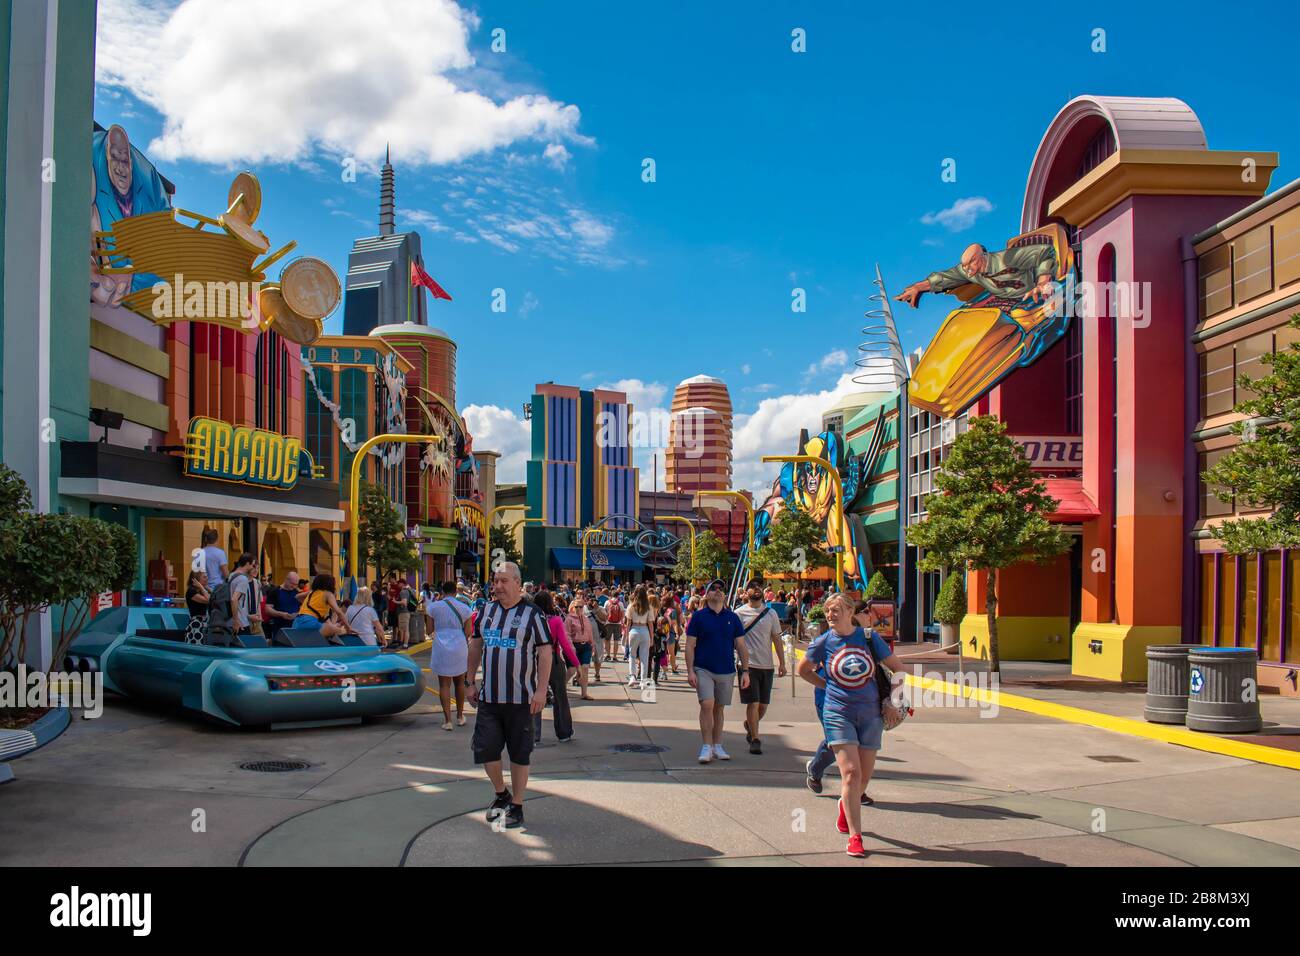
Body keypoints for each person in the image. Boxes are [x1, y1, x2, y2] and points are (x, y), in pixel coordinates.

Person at [797, 593, 905, 858]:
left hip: (870, 714)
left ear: (849, 611)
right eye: (827, 612)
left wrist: (892, 701)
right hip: (838, 712)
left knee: (864, 779)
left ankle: (846, 808)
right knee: (851, 774)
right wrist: (827, 686)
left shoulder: (868, 638)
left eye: (835, 610)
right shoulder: (823, 642)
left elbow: (898, 670)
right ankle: (856, 837)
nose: (830, 616)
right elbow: (803, 670)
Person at [465, 562, 552, 830]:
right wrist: (470, 681)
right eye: (495, 581)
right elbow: (476, 645)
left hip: (521, 699)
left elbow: (545, 652)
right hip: (489, 698)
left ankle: (517, 804)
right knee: (486, 750)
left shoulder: (533, 614)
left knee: (519, 754)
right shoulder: (485, 611)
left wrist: (540, 690)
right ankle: (501, 793)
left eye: (503, 581)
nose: (498, 586)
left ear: (517, 583)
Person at [685, 579, 750, 764]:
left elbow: (741, 646)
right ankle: (706, 746)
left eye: (721, 589)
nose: (718, 591)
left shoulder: (732, 617)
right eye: (713, 589)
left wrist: (745, 671)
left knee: (719, 708)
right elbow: (690, 645)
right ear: (707, 594)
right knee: (707, 704)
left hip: (726, 669)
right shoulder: (698, 617)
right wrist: (690, 670)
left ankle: (717, 744)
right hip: (703, 668)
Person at [735, 582, 787, 755]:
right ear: (746, 592)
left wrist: (782, 662)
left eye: (759, 587)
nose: (756, 589)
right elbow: (733, 639)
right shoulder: (739, 613)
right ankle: (755, 739)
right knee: (753, 702)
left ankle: (749, 724)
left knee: (763, 706)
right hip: (747, 666)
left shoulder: (771, 613)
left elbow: (776, 639)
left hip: (767, 665)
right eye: (752, 586)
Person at [532, 591, 577, 743]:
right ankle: (564, 732)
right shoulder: (556, 620)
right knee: (560, 697)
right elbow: (565, 644)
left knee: (535, 695)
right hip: (554, 659)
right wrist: (575, 663)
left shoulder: (531, 619)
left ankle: (534, 734)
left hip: (534, 659)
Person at [428, 580, 472, 731]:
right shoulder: (465, 608)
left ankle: (447, 720)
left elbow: (429, 630)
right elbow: (468, 632)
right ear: (455, 591)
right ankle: (460, 716)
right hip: (459, 645)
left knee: (444, 684)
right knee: (459, 682)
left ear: (442, 591)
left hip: (441, 645)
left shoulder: (433, 607)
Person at [293, 574, 349, 641]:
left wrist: (308, 602)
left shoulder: (312, 593)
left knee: (331, 627)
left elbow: (297, 597)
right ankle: (345, 631)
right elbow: (339, 612)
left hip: (296, 623)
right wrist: (349, 627)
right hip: (309, 623)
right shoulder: (328, 594)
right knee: (338, 630)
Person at [623, 584, 655, 687]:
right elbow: (650, 623)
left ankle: (632, 676)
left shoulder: (631, 606)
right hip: (645, 630)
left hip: (634, 630)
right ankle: (643, 680)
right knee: (644, 657)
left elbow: (628, 622)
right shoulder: (649, 607)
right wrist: (652, 637)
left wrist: (627, 635)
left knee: (632, 655)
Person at [564, 597, 595, 699]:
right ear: (572, 607)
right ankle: (561, 689)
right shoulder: (569, 619)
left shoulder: (586, 619)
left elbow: (589, 632)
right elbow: (566, 634)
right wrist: (570, 646)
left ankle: (584, 693)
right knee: (572, 670)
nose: (578, 608)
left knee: (585, 668)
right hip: (574, 646)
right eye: (576, 606)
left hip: (585, 645)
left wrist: (592, 644)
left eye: (581, 607)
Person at [262, 570, 302, 642]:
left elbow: (302, 609)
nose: (294, 586)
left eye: (296, 584)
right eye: (292, 583)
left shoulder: (297, 593)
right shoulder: (275, 591)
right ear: (286, 580)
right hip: (279, 628)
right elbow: (267, 609)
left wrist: (297, 614)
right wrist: (281, 614)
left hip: (295, 628)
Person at [226, 552, 259, 638]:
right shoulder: (243, 579)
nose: (253, 567)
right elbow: (234, 599)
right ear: (248, 564)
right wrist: (236, 620)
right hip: (241, 624)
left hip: (229, 621)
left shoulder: (231, 575)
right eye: (253, 565)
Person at [184, 570, 210, 644]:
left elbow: (214, 597)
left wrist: (206, 588)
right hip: (197, 623)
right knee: (198, 643)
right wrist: (202, 587)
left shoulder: (201, 591)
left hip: (204, 622)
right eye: (204, 577)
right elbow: (208, 600)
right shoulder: (191, 591)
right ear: (196, 580)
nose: (207, 578)